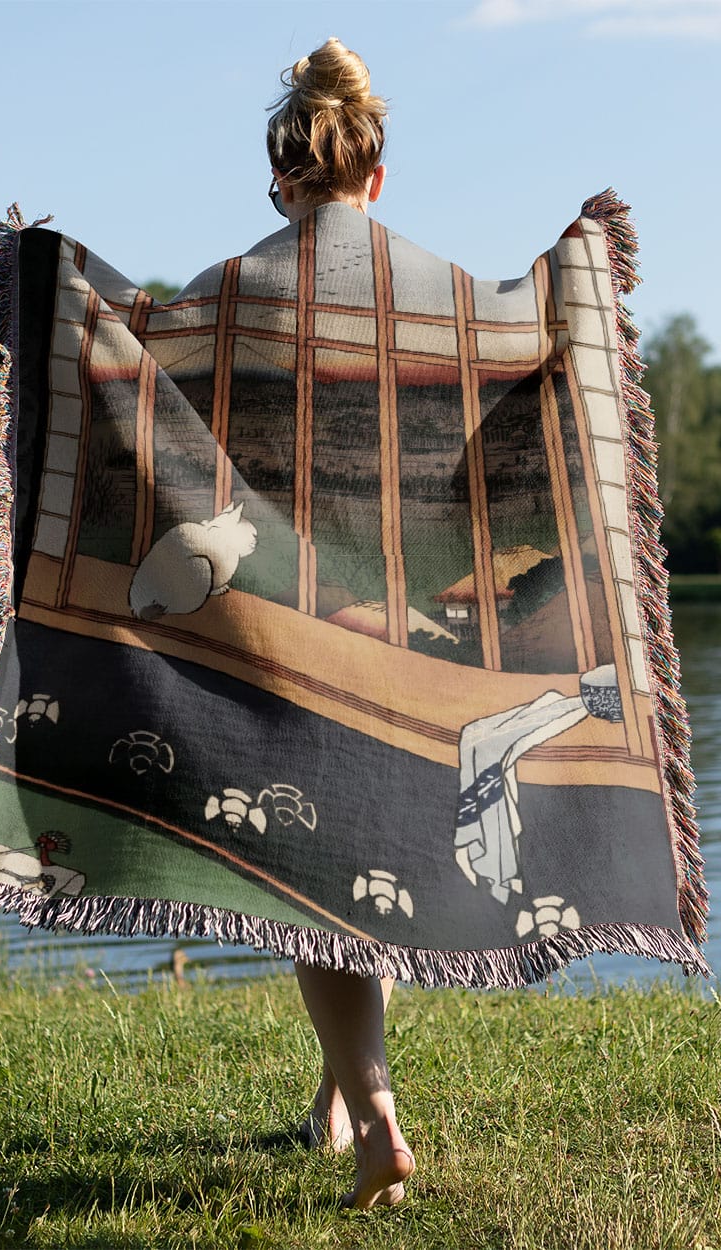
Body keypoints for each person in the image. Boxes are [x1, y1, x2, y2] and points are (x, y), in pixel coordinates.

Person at [263, 37, 415, 1212]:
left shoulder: (240, 290)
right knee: (362, 870)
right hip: (405, 627)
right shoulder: (431, 293)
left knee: (311, 885)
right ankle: (330, 1099)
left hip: (293, 621)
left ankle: (374, 1118)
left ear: (282, 180)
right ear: (373, 175)